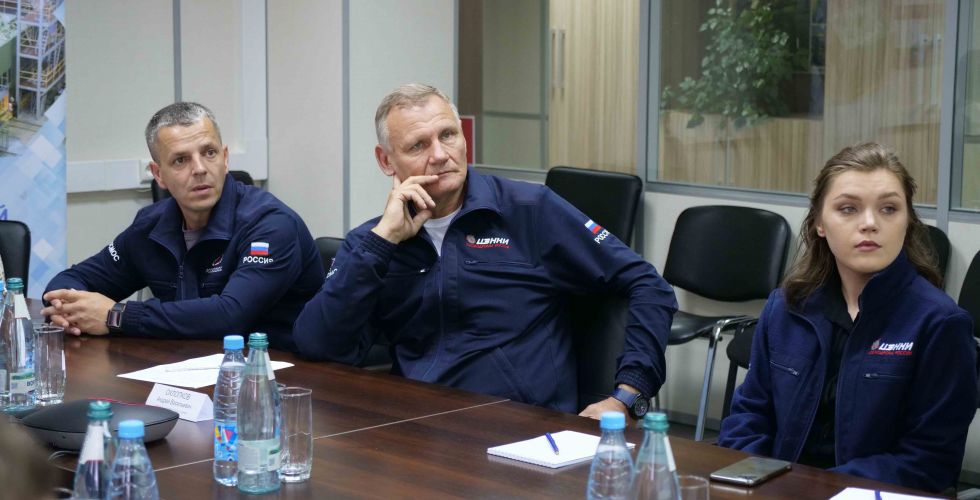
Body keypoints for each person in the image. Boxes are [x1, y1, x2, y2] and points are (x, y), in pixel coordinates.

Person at [293, 83, 677, 419]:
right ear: (385, 161)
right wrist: (382, 243)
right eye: (418, 145)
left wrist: (627, 396)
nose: (440, 154)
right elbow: (316, 345)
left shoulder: (529, 210)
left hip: (522, 428)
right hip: (414, 428)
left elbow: (647, 284)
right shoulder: (374, 241)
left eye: (448, 135)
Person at [717, 142, 978, 492]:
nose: (869, 223)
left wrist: (824, 488)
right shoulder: (786, 307)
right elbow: (748, 416)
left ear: (908, 222)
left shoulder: (940, 324)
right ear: (820, 223)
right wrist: (758, 481)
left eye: (889, 209)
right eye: (848, 209)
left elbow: (930, 461)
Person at [42, 102, 324, 352]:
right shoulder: (150, 226)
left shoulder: (271, 224)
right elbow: (70, 281)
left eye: (209, 153)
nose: (199, 169)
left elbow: (230, 315)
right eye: (181, 160)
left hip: (277, 372)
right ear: (158, 174)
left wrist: (115, 316)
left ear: (225, 158)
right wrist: (68, 309)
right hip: (187, 364)